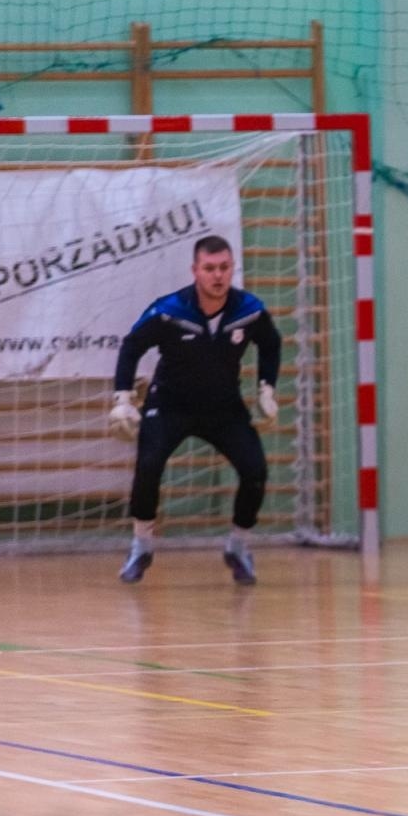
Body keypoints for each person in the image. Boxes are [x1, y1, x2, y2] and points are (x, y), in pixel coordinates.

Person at [109, 235, 281, 585]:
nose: (217, 276)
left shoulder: (249, 310)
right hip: (170, 405)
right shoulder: (170, 311)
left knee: (256, 470)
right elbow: (131, 346)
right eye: (209, 269)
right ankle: (141, 545)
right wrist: (122, 399)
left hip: (224, 407)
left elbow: (271, 342)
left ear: (232, 268)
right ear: (195, 271)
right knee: (148, 465)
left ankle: (238, 546)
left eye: (224, 268)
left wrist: (267, 389)